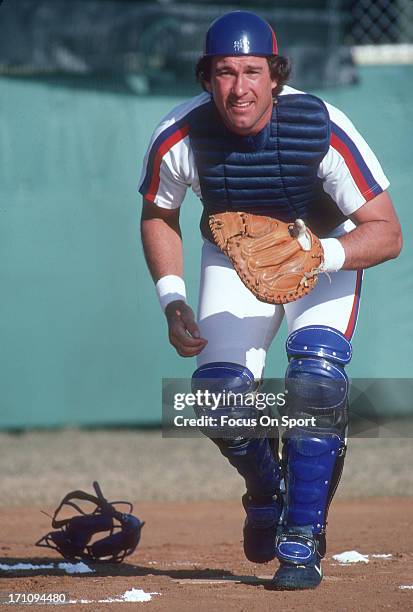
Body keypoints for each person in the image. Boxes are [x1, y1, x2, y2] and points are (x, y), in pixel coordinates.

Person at [139, 11, 402, 590]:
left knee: (315, 383)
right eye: (225, 72)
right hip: (234, 258)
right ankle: (267, 491)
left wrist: (319, 256)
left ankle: (300, 541)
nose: (240, 88)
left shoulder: (320, 124)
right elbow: (159, 213)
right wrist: (172, 298)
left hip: (324, 256)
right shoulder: (180, 134)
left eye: (253, 71)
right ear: (207, 78)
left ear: (275, 75)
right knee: (217, 398)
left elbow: (386, 231)